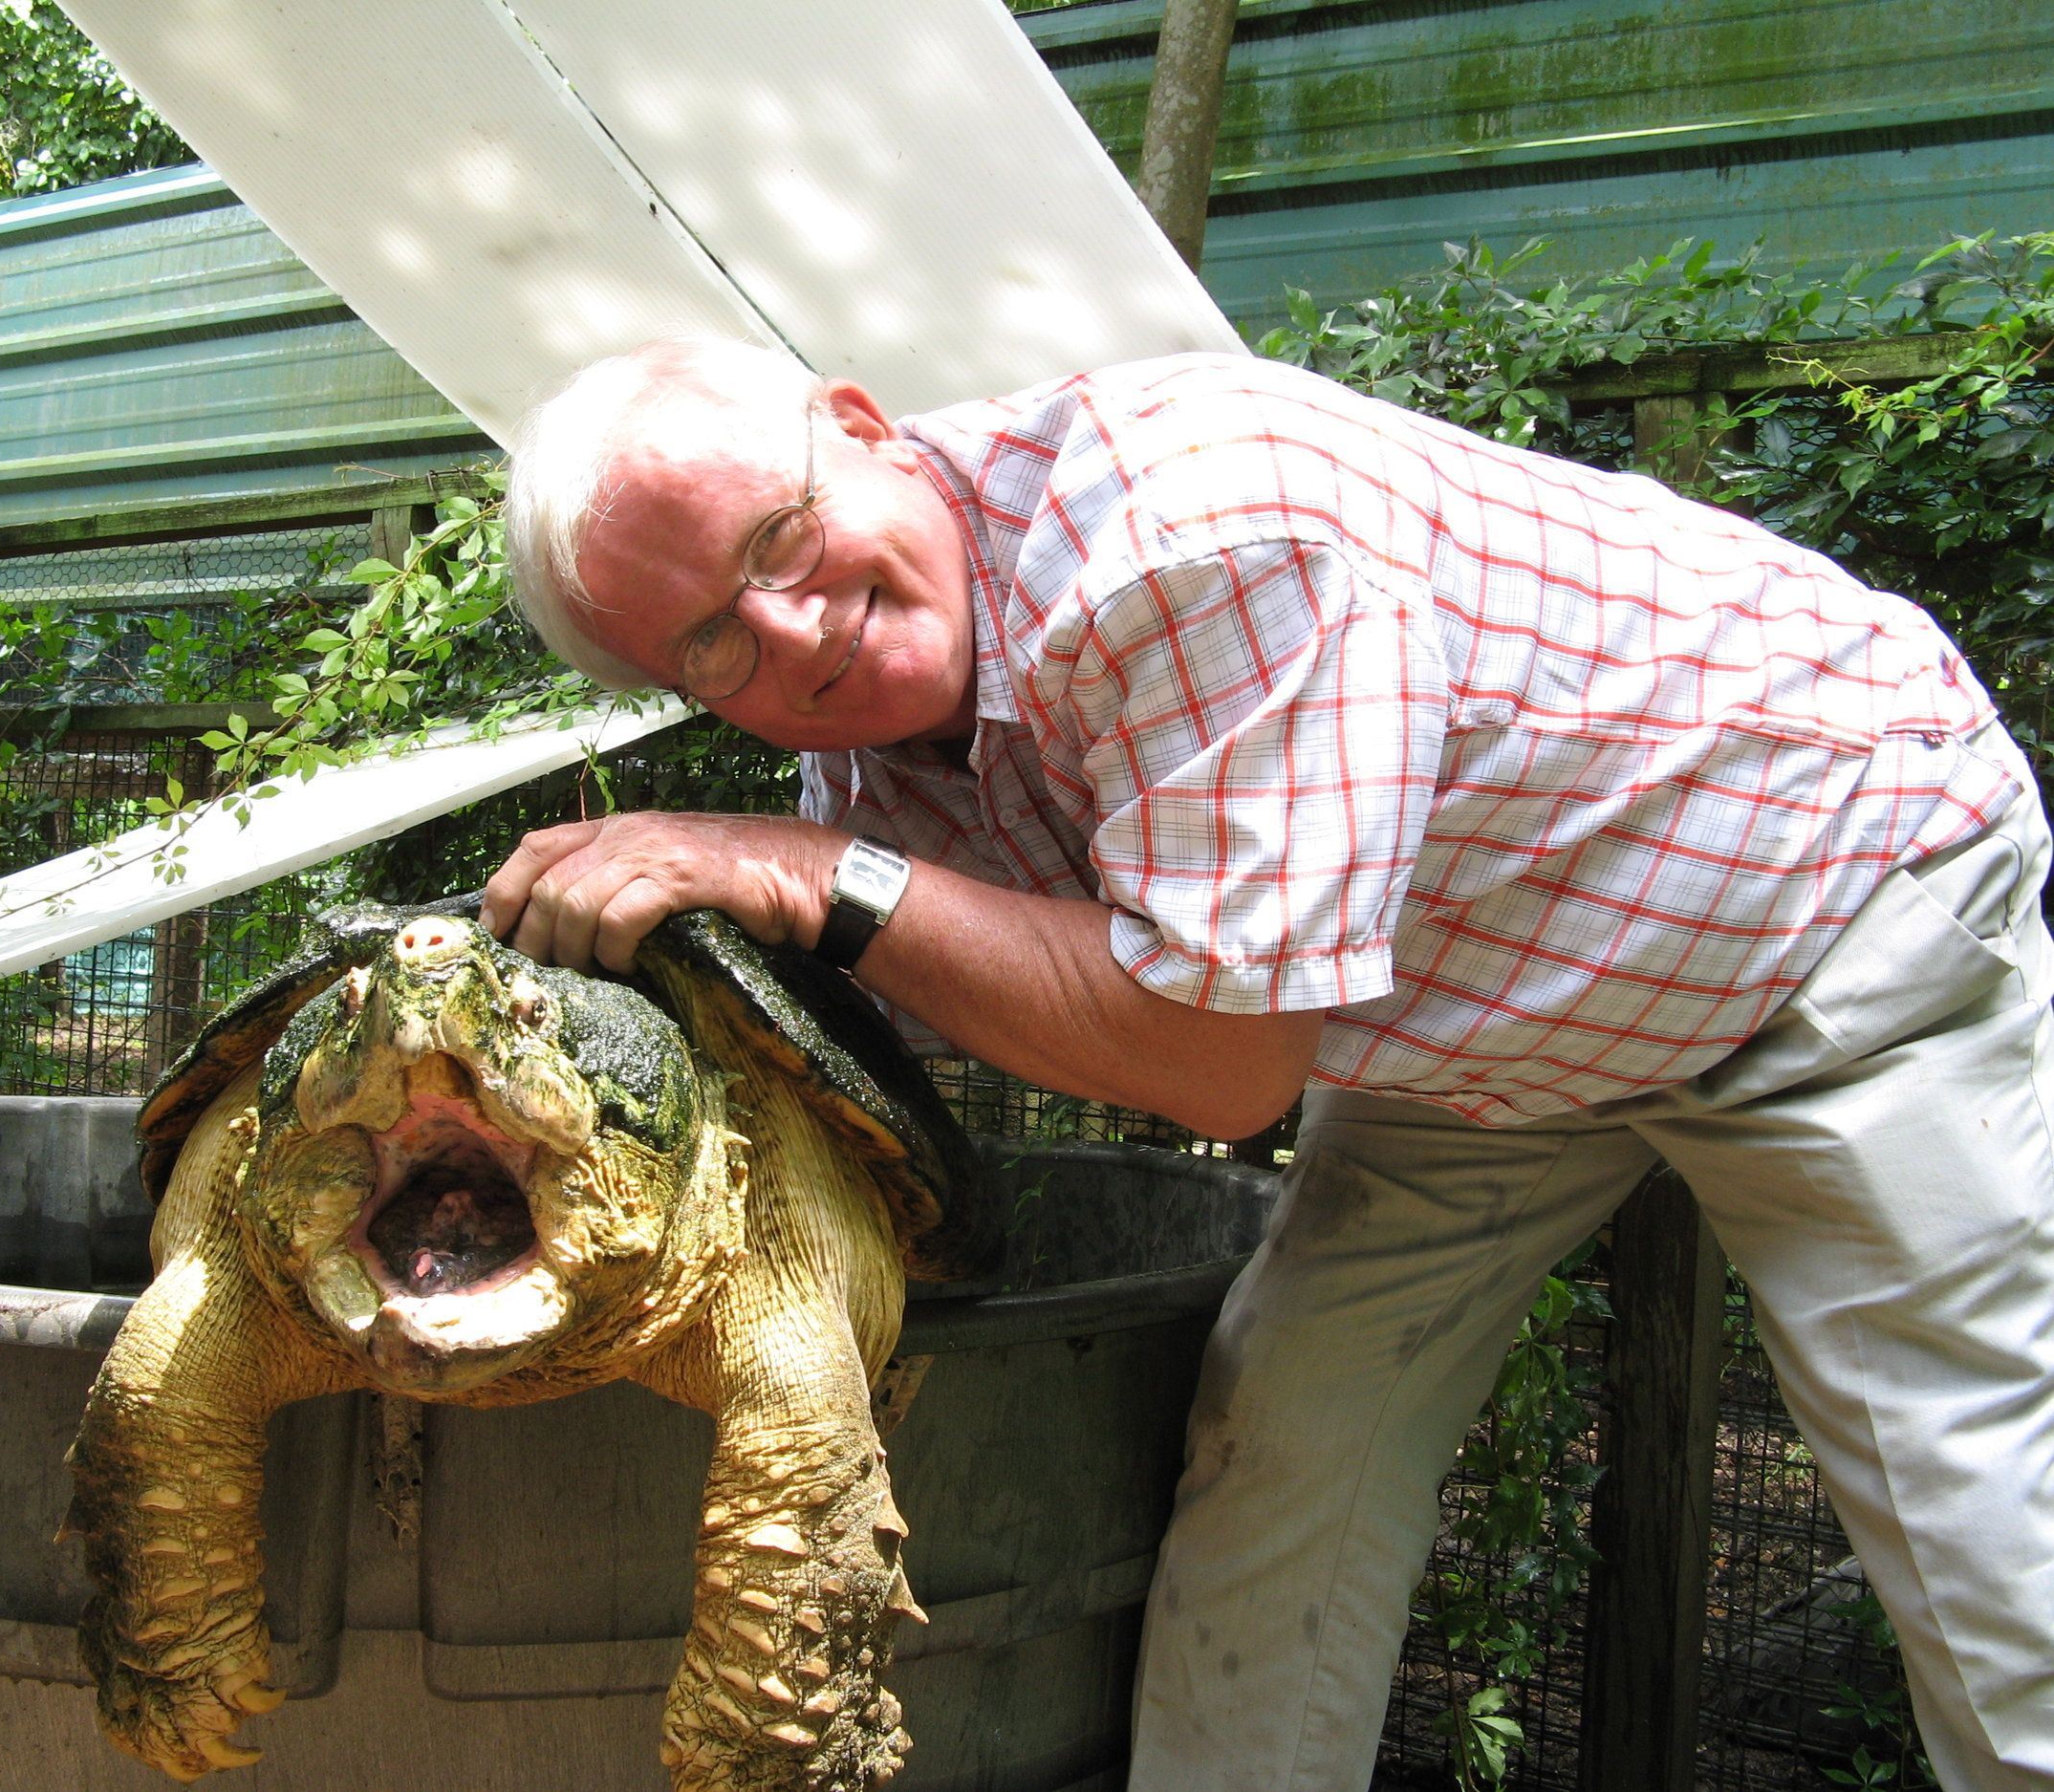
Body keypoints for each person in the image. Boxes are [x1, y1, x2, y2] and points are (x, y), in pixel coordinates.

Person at [480, 335, 2054, 1790]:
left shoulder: (1195, 535)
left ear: (866, 430)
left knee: (1981, 1534)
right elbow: (894, 1028)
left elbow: (1222, 1071)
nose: (793, 631)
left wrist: (817, 883)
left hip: (1821, 907)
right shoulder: (861, 755)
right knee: (1280, 1454)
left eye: (780, 542)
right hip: (1481, 1013)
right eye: (710, 640)